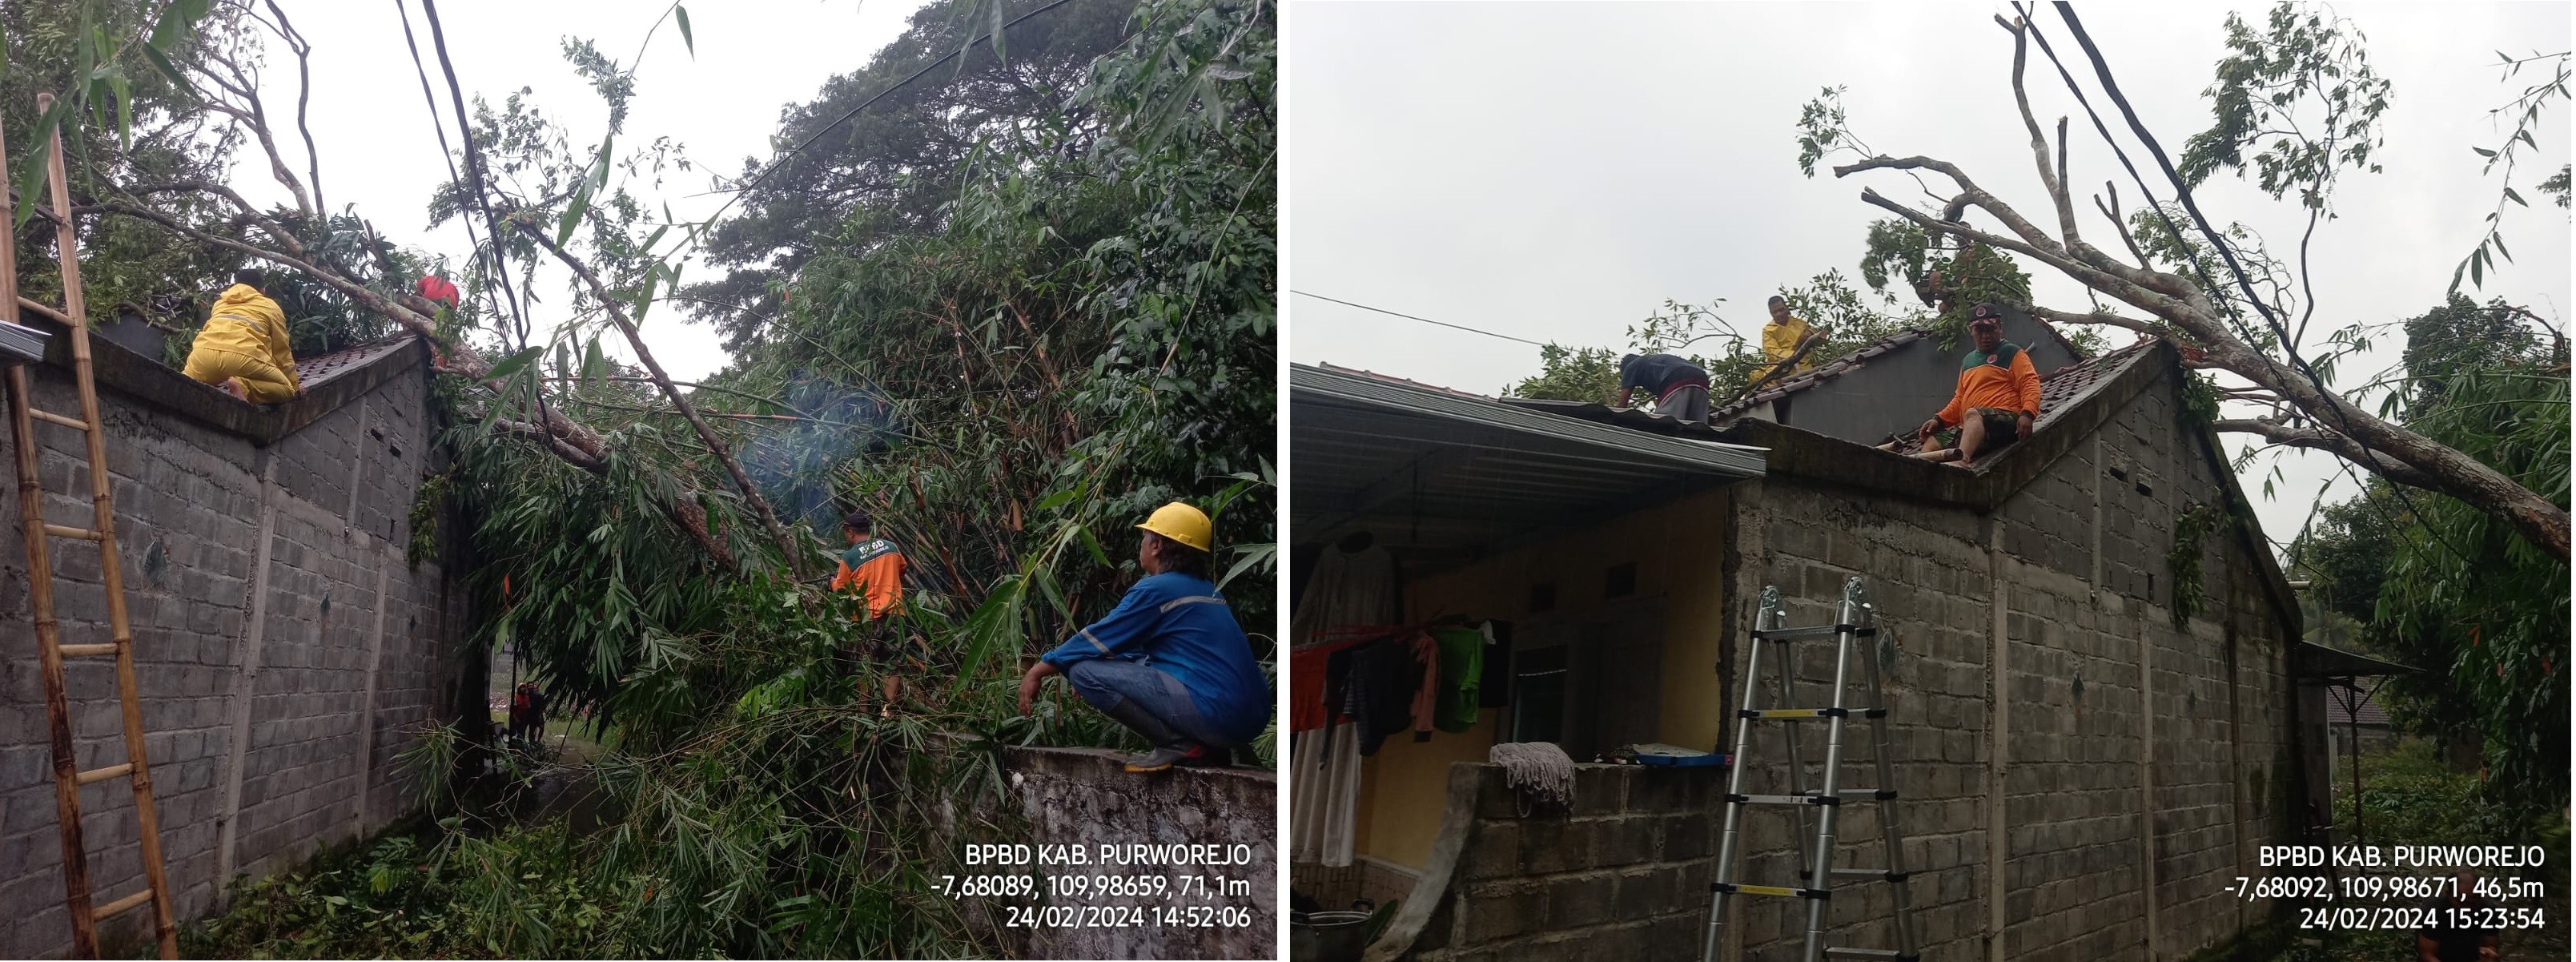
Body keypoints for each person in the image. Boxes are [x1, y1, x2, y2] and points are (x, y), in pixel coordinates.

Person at [1017, 502, 1268, 772]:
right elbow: (1141, 655)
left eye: (1145, 537)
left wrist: (1038, 671)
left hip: (1216, 713)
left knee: (1083, 671)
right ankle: (1208, 747)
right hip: (1250, 719)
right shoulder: (1210, 591)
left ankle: (1177, 744)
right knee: (1106, 661)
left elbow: (1098, 639)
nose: (1142, 545)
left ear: (1157, 545)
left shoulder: (1156, 590)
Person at [1914, 304, 2040, 469]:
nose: (1985, 336)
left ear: (1999, 328)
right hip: (1973, 428)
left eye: (1990, 330)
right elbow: (1959, 398)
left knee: (1972, 414)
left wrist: (2028, 413)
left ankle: (1962, 460)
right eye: (1980, 331)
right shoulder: (1968, 361)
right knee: (1935, 440)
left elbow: (2029, 382)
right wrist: (1938, 420)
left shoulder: (2012, 352)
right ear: (1971, 331)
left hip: (2006, 421)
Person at [831, 512, 911, 713]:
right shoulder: (891, 547)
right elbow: (902, 569)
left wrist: (830, 583)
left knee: (864, 664)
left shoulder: (849, 558)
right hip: (894, 613)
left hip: (868, 618)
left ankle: (864, 712)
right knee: (893, 663)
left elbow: (842, 590)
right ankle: (888, 710)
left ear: (851, 533)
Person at [181, 268, 300, 403]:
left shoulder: (220, 303)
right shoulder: (270, 306)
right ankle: (243, 387)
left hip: (203, 355)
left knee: (184, 383)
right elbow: (282, 352)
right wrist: (295, 386)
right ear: (262, 290)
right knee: (287, 389)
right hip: (245, 359)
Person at [2415, 871, 2499, 961]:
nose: (2467, 908)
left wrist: (2488, 955)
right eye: (2462, 902)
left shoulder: (2487, 910)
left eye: (2472, 903)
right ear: (2449, 895)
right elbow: (2427, 955)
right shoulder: (2434, 912)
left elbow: (2491, 945)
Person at [1614, 352, 1712, 424]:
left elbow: (1621, 408)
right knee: (1697, 429)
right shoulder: (1655, 363)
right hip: (1702, 378)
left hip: (1677, 377)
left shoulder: (1631, 366)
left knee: (1664, 426)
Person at [1761, 296, 1815, 371]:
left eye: (1781, 310)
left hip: (1804, 362)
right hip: (1782, 365)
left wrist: (1810, 334)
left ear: (1786, 308)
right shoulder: (1768, 330)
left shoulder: (1800, 323)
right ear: (1771, 313)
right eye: (1775, 312)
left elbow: (1816, 335)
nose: (1779, 314)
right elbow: (1771, 352)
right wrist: (1792, 355)